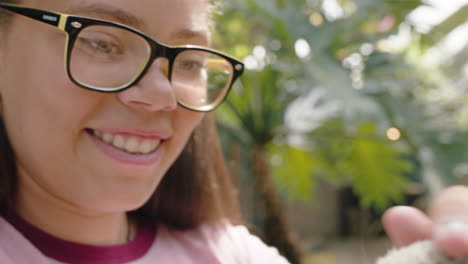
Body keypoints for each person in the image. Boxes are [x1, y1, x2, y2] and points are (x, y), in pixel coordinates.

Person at [0, 1, 467, 264]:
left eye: (190, 61)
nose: (162, 94)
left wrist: (437, 254)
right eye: (101, 42)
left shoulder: (225, 254)